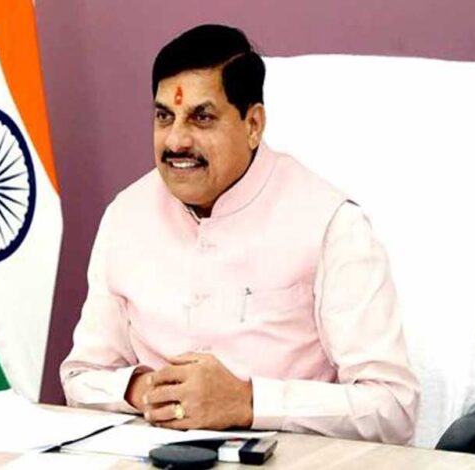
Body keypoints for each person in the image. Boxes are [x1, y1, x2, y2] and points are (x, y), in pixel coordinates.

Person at [60, 24, 420, 444]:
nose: (176, 141)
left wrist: (248, 402)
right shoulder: (126, 216)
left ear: (253, 124)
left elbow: (392, 407)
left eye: (202, 118)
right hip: (149, 454)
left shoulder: (329, 223)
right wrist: (144, 390)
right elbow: (80, 377)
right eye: (164, 116)